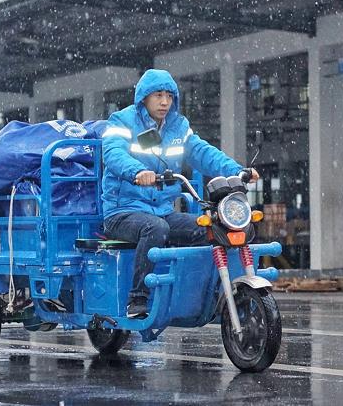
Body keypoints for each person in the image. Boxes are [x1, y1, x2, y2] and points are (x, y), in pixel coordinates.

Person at [101, 69, 258, 318]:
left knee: (211, 229)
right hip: (123, 211)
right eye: (158, 95)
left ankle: (205, 293)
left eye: (169, 96)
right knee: (155, 229)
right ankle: (138, 299)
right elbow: (113, 153)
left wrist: (237, 170)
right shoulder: (122, 121)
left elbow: (203, 153)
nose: (164, 102)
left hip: (162, 211)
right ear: (143, 97)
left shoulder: (178, 126)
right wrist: (137, 171)